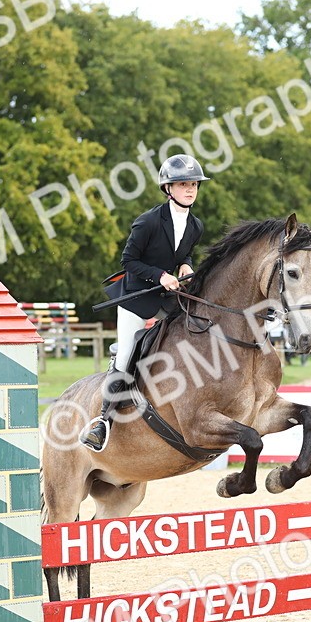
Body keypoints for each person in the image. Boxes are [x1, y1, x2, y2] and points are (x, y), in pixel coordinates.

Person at [79, 154, 209, 452]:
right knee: (126, 354)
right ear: (168, 188)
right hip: (137, 298)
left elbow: (184, 253)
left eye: (193, 184)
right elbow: (129, 261)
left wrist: (186, 266)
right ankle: (102, 422)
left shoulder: (196, 225)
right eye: (183, 184)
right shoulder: (148, 221)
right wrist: (161, 275)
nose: (190, 190)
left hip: (168, 296)